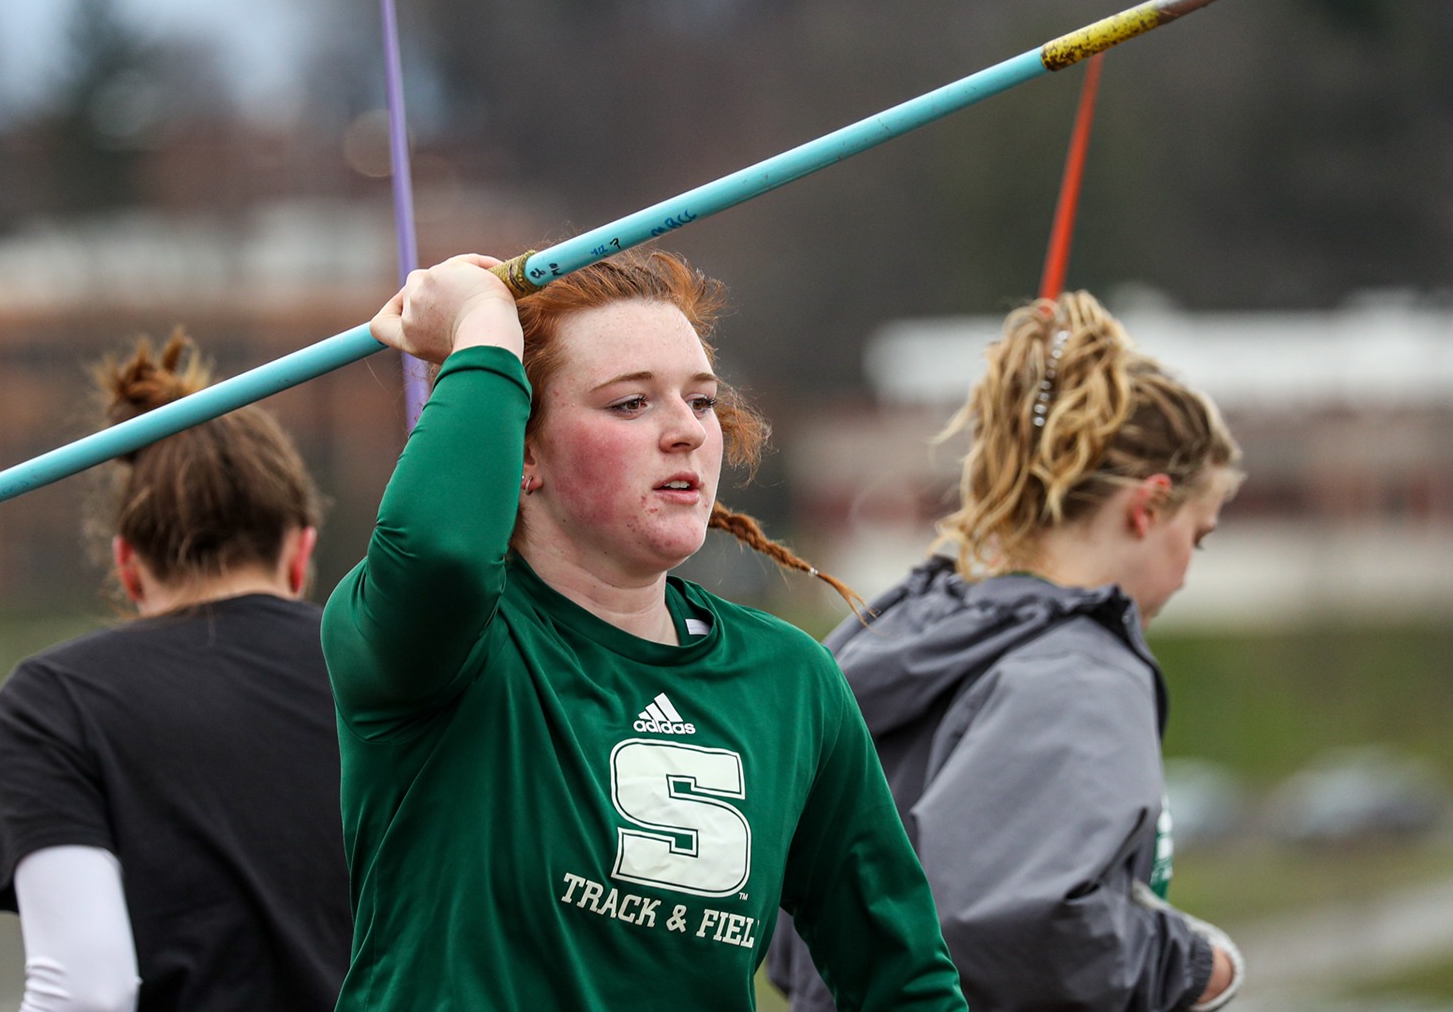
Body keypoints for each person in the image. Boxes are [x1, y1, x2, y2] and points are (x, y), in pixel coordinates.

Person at [323, 249, 967, 1011]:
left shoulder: (790, 678)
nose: (687, 433)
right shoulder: (443, 641)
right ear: (522, 450)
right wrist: (482, 325)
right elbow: (444, 552)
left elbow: (906, 983)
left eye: (700, 401)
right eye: (631, 404)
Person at [767, 291, 1245, 1012]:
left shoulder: (899, 626)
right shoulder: (1079, 671)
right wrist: (1199, 965)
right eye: (1198, 535)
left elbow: (787, 912)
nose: (1187, 569)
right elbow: (1025, 926)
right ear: (1148, 506)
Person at [0, 331, 351, 1012]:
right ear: (301, 553)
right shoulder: (395, 677)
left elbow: (85, 992)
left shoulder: (53, 705)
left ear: (126, 567)